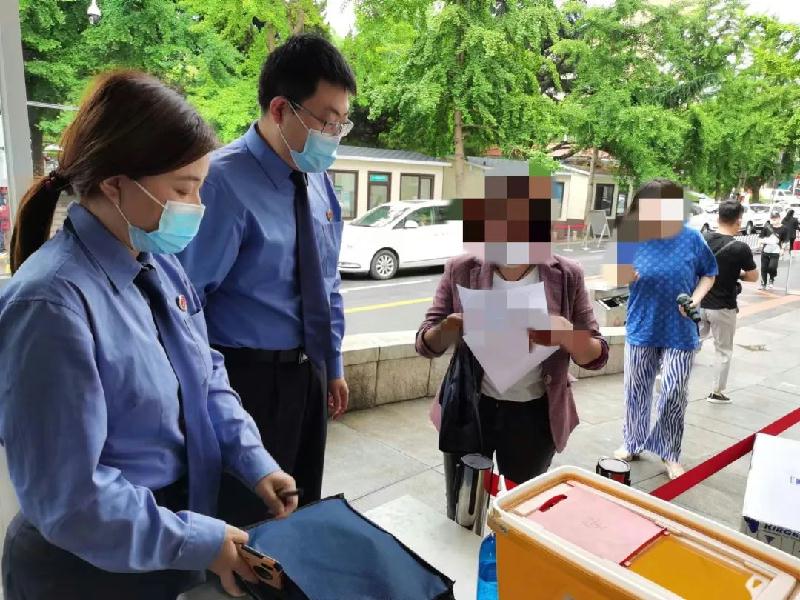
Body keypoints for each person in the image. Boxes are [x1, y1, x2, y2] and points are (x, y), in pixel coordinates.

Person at [0, 71, 299, 600]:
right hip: (87, 567)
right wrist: (197, 541)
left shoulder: (159, 263)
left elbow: (205, 378)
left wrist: (254, 461)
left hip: (166, 538)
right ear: (115, 184)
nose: (198, 205)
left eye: (201, 186)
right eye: (183, 189)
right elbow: (72, 499)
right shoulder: (50, 306)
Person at [178, 34, 356, 525]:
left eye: (342, 123)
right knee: (250, 518)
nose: (335, 135)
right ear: (280, 109)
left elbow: (327, 280)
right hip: (247, 381)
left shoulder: (317, 179)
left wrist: (332, 362)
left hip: (308, 375)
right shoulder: (219, 184)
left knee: (303, 505)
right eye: (327, 121)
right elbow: (184, 305)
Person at [416, 185, 609, 497]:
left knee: (519, 503)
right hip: (470, 407)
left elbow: (596, 356)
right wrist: (450, 327)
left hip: (534, 414)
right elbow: (425, 344)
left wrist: (566, 333)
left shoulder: (566, 275)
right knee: (465, 501)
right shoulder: (461, 269)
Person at [612, 179, 717, 480]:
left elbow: (709, 273)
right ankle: (632, 441)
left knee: (674, 391)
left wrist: (695, 299)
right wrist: (623, 274)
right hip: (642, 323)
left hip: (680, 327)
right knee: (636, 389)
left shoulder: (691, 238)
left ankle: (669, 452)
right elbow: (616, 275)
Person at [699, 201, 759, 404]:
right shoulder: (740, 247)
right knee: (723, 350)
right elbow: (753, 276)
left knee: (691, 344)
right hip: (723, 306)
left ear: (718, 218)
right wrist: (737, 274)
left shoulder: (703, 239)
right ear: (739, 221)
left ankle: (671, 377)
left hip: (698, 302)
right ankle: (716, 393)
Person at [758, 211, 785, 290]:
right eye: (772, 218)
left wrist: (782, 249)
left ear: (779, 218)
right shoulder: (767, 227)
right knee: (764, 268)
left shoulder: (784, 228)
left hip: (775, 251)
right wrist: (759, 244)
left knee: (772, 267)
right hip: (765, 251)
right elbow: (761, 237)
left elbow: (785, 240)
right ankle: (763, 284)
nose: (774, 219)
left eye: (775, 218)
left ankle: (771, 279)